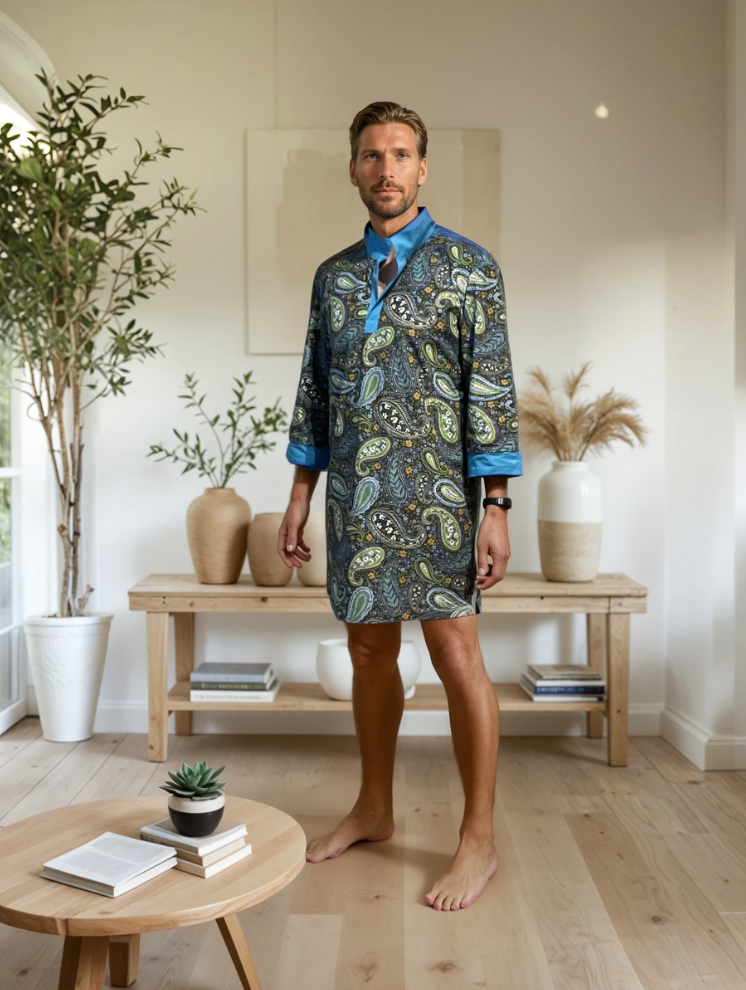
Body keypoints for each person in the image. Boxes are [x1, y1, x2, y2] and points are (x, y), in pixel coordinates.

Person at [277, 101, 522, 912]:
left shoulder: (471, 268)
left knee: (458, 661)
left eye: (401, 154)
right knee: (370, 657)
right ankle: (374, 808)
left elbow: (491, 392)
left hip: (443, 504)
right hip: (356, 498)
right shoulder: (333, 277)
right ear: (353, 169)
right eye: (372, 155)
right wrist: (299, 494)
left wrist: (497, 505)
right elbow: (316, 394)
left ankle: (477, 839)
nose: (386, 169)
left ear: (422, 169)